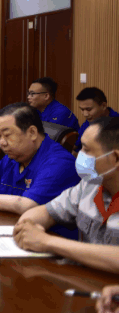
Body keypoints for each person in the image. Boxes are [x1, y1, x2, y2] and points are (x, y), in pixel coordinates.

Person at [14, 117, 119, 273]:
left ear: (116, 158)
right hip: (84, 278)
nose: (79, 155)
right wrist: (26, 227)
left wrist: (47, 242)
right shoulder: (89, 185)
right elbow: (46, 211)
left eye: (86, 150)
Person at [74, 87, 119, 155]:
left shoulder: (116, 124)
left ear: (103, 106)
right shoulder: (90, 120)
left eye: (89, 109)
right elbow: (76, 144)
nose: (85, 114)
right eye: (82, 110)